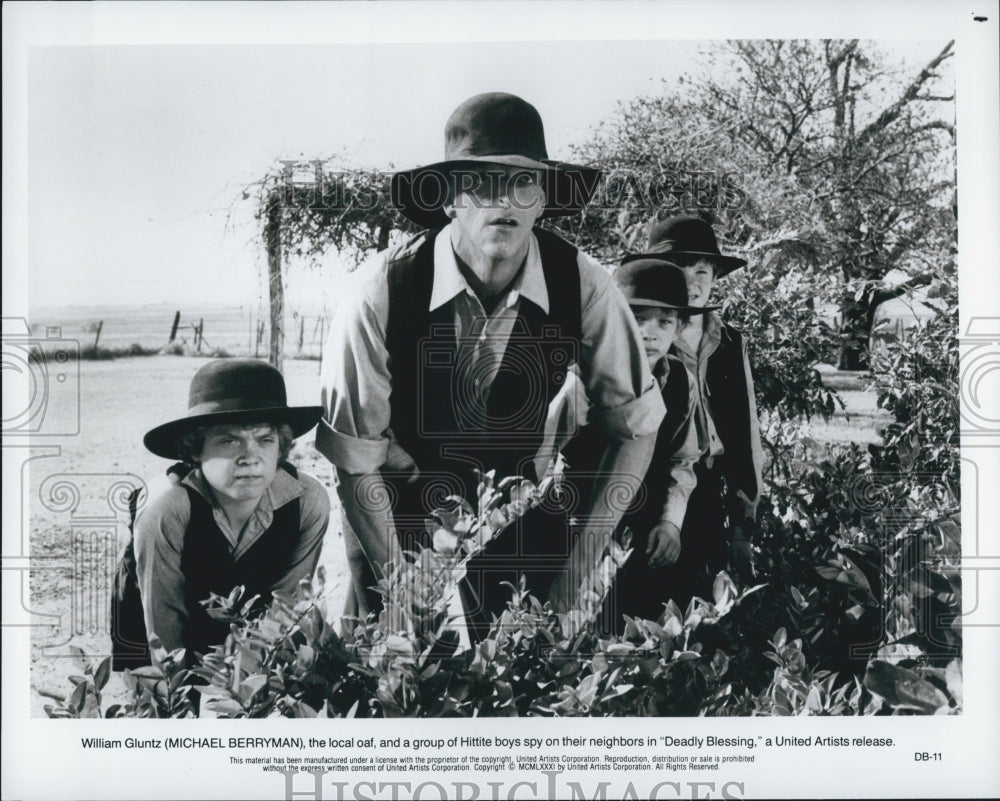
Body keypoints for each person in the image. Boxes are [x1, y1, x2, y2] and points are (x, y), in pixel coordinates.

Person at [318, 92, 665, 637]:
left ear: (543, 199)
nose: (503, 199)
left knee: (528, 681)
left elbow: (639, 426)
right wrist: (405, 597)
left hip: (518, 516)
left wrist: (577, 572)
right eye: (481, 182)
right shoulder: (378, 293)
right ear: (449, 197)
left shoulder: (584, 285)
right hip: (395, 516)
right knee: (392, 680)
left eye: (523, 181)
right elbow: (355, 461)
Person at [132, 358, 330, 664]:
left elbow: (286, 608)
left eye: (265, 439)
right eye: (229, 440)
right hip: (156, 630)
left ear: (282, 447)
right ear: (195, 449)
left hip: (255, 636)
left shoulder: (307, 500)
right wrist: (177, 696)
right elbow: (163, 620)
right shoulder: (167, 506)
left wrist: (246, 683)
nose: (250, 457)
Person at [557, 260, 710, 630]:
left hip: (638, 533)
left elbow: (683, 458)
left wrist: (670, 521)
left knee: (633, 633)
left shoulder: (680, 383)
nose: (649, 333)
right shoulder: (581, 378)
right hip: (572, 525)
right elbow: (544, 454)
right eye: (636, 318)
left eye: (664, 321)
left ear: (680, 328)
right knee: (564, 622)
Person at [631, 216, 763, 607]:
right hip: (646, 487)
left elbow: (746, 431)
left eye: (702, 270)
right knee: (642, 603)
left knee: (699, 606)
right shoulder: (647, 338)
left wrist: (744, 524)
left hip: (706, 490)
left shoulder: (729, 341)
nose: (691, 282)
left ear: (716, 277)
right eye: (679, 269)